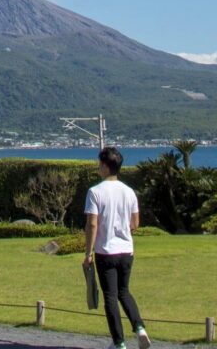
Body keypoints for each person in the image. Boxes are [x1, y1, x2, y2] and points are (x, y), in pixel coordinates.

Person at [83, 147, 152, 349]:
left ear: (105, 166)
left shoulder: (95, 192)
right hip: (126, 250)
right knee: (124, 291)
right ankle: (139, 328)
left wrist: (88, 253)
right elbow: (135, 223)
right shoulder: (129, 191)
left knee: (110, 298)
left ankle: (119, 342)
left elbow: (92, 224)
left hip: (106, 251)